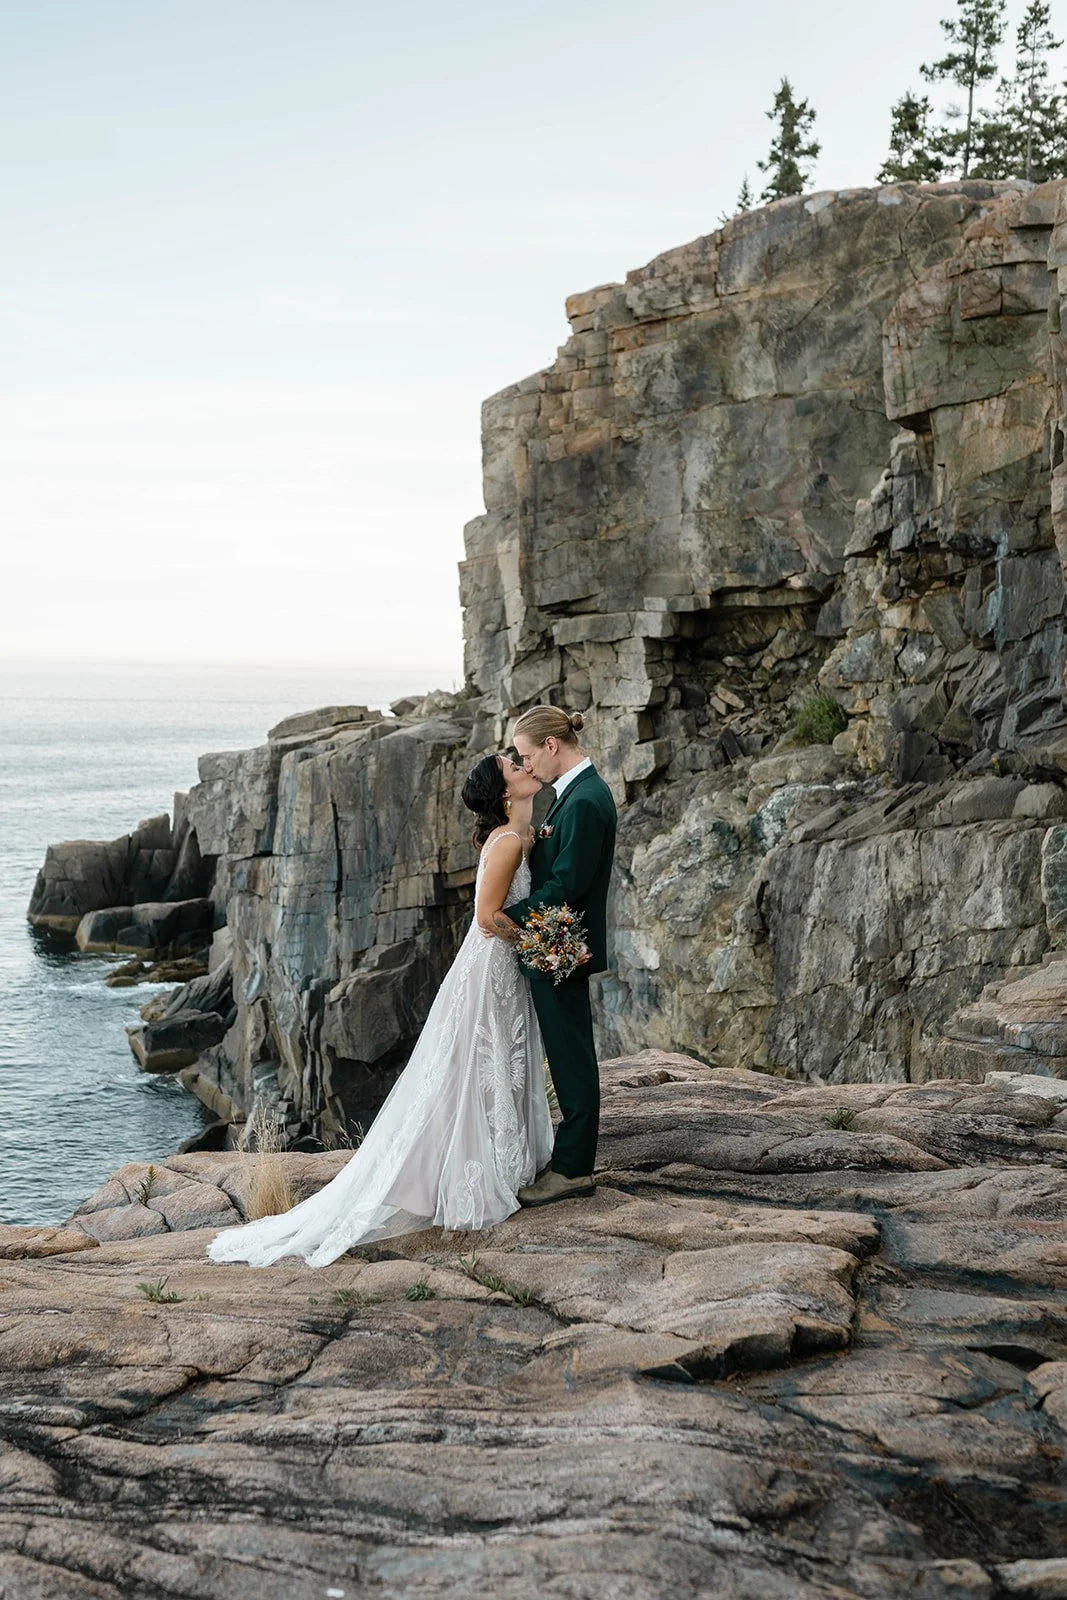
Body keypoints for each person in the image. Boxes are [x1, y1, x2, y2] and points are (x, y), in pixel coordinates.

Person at [206, 752, 552, 1268]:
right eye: (512, 765)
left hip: (500, 968)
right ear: (504, 793)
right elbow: (487, 919)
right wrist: (539, 939)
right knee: (474, 1065)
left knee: (489, 1063)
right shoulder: (505, 843)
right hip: (491, 969)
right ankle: (463, 1177)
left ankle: (494, 1163)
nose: (523, 764)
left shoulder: (520, 837)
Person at [488, 706, 617, 1208]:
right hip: (552, 943)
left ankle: (572, 1169)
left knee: (571, 1058)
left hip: (561, 948)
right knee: (565, 1054)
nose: (527, 767)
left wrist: (504, 915)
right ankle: (566, 1157)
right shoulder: (573, 795)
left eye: (526, 755)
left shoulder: (585, 800)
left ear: (550, 745)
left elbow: (567, 885)